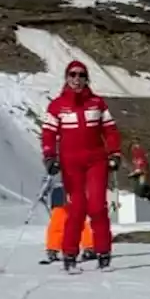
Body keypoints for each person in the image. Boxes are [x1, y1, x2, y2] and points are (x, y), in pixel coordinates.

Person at [41, 59, 122, 271]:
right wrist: (50, 157)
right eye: (72, 75)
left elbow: (110, 130)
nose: (77, 79)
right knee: (76, 209)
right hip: (71, 163)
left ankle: (103, 252)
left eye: (81, 75)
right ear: (67, 78)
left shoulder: (97, 103)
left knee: (97, 207)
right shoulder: (57, 105)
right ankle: (69, 254)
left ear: (87, 79)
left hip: (96, 160)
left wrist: (114, 153)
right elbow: (49, 133)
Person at [42, 183, 95, 264]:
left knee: (81, 221)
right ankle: (53, 248)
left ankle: (90, 247)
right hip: (59, 191)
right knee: (58, 221)